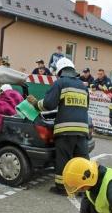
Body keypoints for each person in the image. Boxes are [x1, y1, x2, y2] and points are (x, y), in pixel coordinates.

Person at [27, 57, 90, 195]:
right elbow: (85, 107)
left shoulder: (60, 83)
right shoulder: (83, 86)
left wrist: (35, 103)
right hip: (82, 130)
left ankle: (62, 188)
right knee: (81, 160)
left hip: (66, 130)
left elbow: (49, 104)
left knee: (64, 158)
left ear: (60, 71)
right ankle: (85, 188)